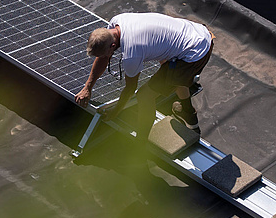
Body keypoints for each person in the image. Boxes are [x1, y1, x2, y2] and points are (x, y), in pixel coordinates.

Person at [74, 12, 214, 142]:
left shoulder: (132, 53)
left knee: (145, 96)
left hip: (195, 52)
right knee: (171, 75)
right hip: (196, 32)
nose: (106, 58)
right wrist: (87, 87)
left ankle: (140, 144)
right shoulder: (117, 21)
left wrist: (116, 111)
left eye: (106, 54)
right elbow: (103, 58)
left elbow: (130, 89)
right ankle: (187, 112)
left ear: (112, 46)